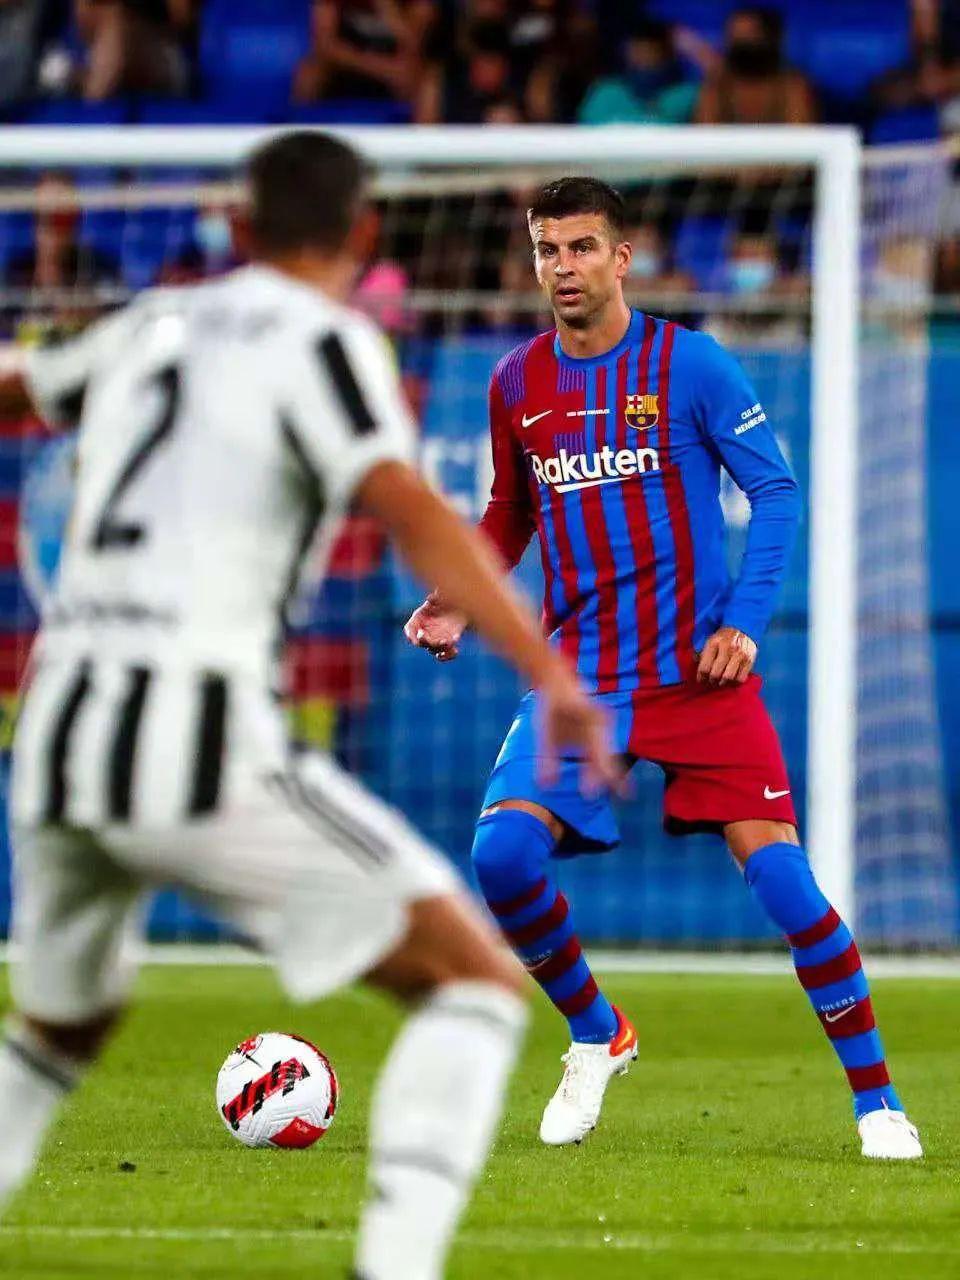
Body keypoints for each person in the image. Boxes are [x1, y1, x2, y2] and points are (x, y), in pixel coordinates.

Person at [0, 133, 618, 1280]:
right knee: (477, 986)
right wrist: (549, 669)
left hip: (53, 735)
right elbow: (406, 504)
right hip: (189, 734)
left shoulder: (153, 322)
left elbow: (17, 387)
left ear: (240, 226)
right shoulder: (327, 341)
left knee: (58, 1030)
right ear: (365, 233)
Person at [404, 176, 923, 1160]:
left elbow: (775, 492)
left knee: (786, 885)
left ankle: (879, 1105)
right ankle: (597, 1032)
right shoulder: (516, 382)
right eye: (548, 249)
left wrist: (745, 624)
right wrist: (460, 593)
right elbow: (511, 511)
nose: (564, 267)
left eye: (581, 247)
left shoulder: (691, 364)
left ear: (621, 257)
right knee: (502, 857)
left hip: (698, 674)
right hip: (584, 674)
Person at [694, 6, 817, 126]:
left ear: (771, 39)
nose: (742, 44)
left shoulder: (792, 86)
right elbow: (706, 132)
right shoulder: (717, 85)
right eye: (736, 38)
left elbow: (799, 132)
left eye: (750, 36)